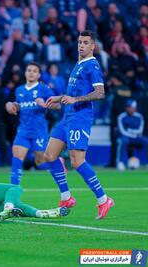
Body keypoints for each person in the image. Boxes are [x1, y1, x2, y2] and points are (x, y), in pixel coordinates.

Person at [44, 30, 114, 220]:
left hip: (80, 118)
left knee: (77, 161)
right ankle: (66, 198)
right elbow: (73, 91)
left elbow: (100, 93)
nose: (81, 45)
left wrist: (75, 99)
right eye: (79, 42)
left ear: (93, 46)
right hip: (67, 117)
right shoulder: (79, 64)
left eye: (85, 43)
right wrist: (59, 97)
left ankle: (103, 199)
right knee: (49, 155)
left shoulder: (92, 65)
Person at [5, 62, 61, 185]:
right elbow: (19, 105)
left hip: (39, 131)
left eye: (34, 71)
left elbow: (58, 105)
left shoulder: (43, 88)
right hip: (23, 131)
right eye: (29, 70)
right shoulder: (19, 90)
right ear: (25, 73)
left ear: (39, 74)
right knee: (16, 158)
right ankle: (13, 192)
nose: (31, 73)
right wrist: (11, 105)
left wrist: (45, 104)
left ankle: (58, 162)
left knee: (40, 161)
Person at [116, 100, 147, 170]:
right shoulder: (122, 117)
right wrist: (133, 134)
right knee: (123, 141)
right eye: (127, 107)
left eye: (130, 107)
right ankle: (121, 162)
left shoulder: (139, 117)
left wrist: (130, 131)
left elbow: (140, 130)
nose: (128, 108)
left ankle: (146, 162)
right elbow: (122, 131)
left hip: (136, 137)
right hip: (126, 137)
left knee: (146, 141)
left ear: (135, 108)